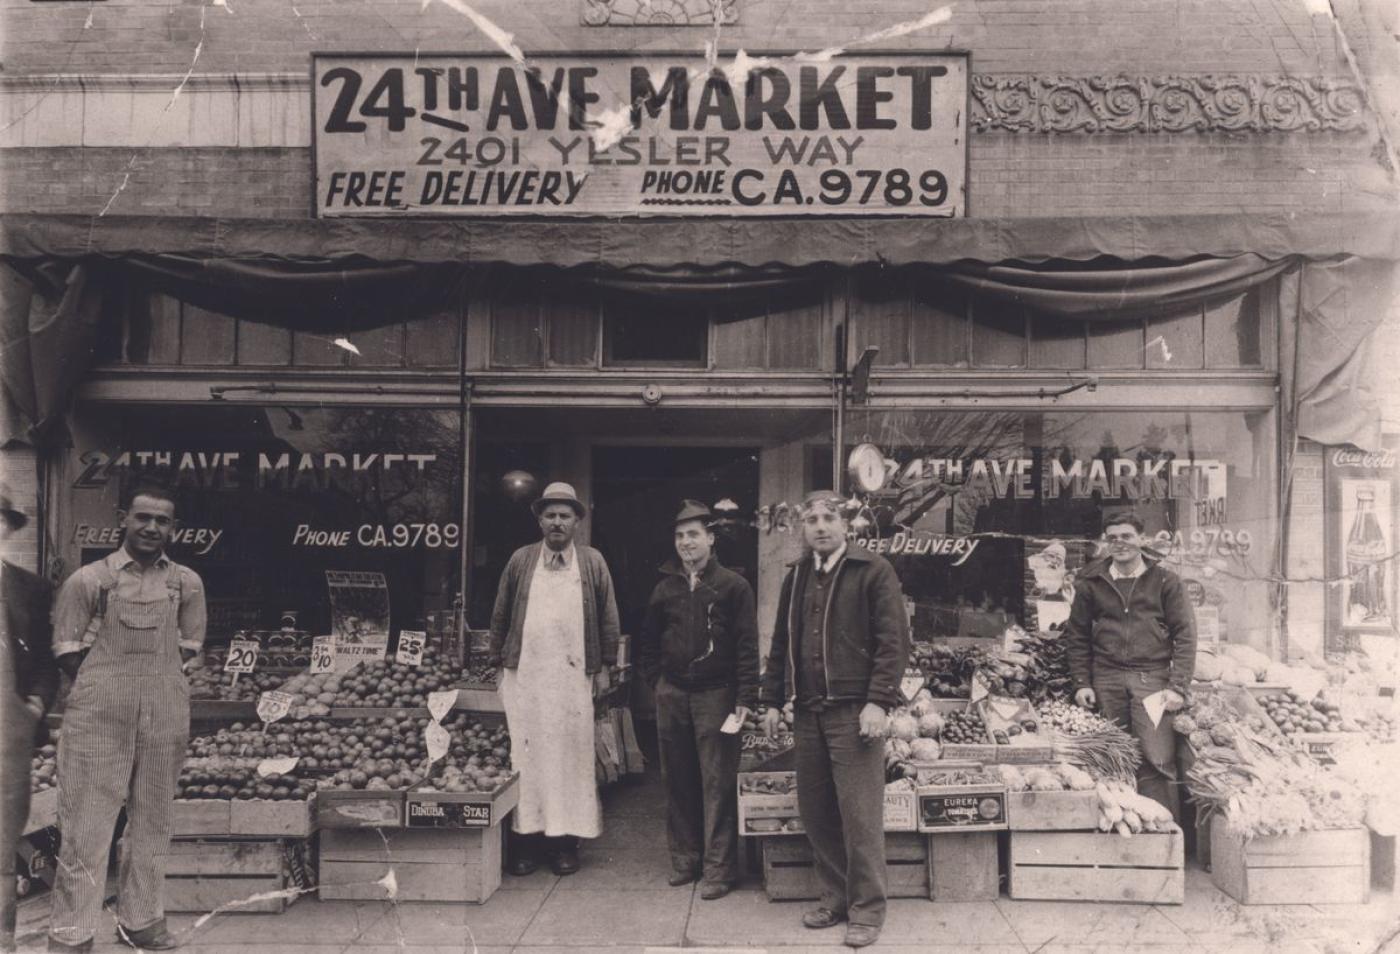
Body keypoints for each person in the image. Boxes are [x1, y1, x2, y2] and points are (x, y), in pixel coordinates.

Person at [48, 482, 206, 953]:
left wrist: (151, 688)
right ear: (124, 518)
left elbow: (190, 648)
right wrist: (109, 687)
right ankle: (71, 935)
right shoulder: (89, 580)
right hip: (99, 715)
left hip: (164, 713)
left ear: (173, 528)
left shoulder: (186, 583)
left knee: (154, 821)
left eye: (162, 520)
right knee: (86, 826)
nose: (152, 528)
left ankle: (141, 922)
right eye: (143, 517)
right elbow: (65, 648)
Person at [760, 491, 909, 949]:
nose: (820, 526)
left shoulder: (873, 572)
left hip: (854, 713)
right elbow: (781, 643)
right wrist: (771, 699)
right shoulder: (799, 576)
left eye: (829, 518)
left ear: (847, 525)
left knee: (860, 815)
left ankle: (868, 909)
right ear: (803, 529)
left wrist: (878, 702)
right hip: (808, 712)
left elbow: (893, 643)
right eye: (812, 520)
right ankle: (836, 896)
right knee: (817, 810)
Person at [489, 481, 620, 877]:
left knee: (570, 760)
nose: (557, 522)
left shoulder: (593, 562)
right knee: (526, 760)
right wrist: (497, 662)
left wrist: (606, 667)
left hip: (572, 680)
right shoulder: (521, 560)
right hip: (526, 677)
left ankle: (564, 845)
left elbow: (608, 617)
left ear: (577, 522)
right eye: (550, 515)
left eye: (565, 515)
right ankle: (525, 844)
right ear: (540, 520)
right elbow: (500, 614)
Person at [639, 500, 759, 900]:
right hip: (673, 693)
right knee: (678, 780)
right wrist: (657, 682)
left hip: (717, 695)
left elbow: (747, 645)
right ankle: (686, 861)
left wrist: (745, 695)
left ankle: (719, 870)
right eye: (679, 535)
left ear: (710, 538)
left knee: (717, 783)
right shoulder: (664, 587)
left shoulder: (733, 585)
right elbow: (648, 642)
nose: (686, 542)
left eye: (693, 534)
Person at [1064, 510, 1197, 820]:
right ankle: (1127, 833)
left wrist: (1178, 686)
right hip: (1107, 679)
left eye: (1126, 536)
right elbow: (1077, 636)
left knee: (1157, 757)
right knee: (1113, 758)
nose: (1119, 543)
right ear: (1105, 543)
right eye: (1112, 538)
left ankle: (1164, 833)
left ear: (1141, 540)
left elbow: (1186, 636)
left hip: (1151, 679)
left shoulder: (1165, 581)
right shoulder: (1091, 582)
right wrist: (1082, 682)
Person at [1, 487, 57, 954]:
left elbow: (43, 660)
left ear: (8, 527)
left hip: (7, 735)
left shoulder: (31, 588)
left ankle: (3, 941)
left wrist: (35, 705)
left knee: (2, 845)